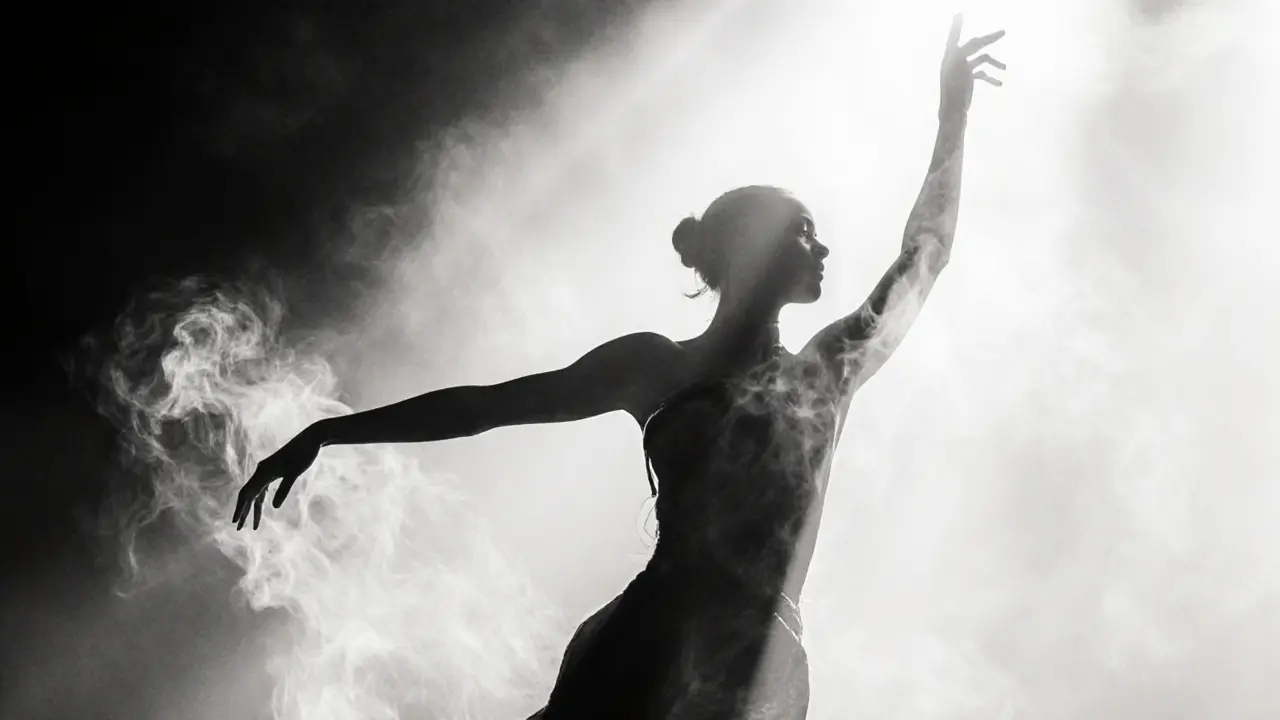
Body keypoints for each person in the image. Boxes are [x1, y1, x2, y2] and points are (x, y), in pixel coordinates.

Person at [233, 16, 1005, 720]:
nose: (825, 248)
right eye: (805, 231)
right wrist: (333, 433)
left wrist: (953, 118)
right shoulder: (652, 366)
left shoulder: (825, 371)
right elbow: (486, 405)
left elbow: (923, 257)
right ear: (754, 246)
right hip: (644, 638)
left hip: (752, 657)